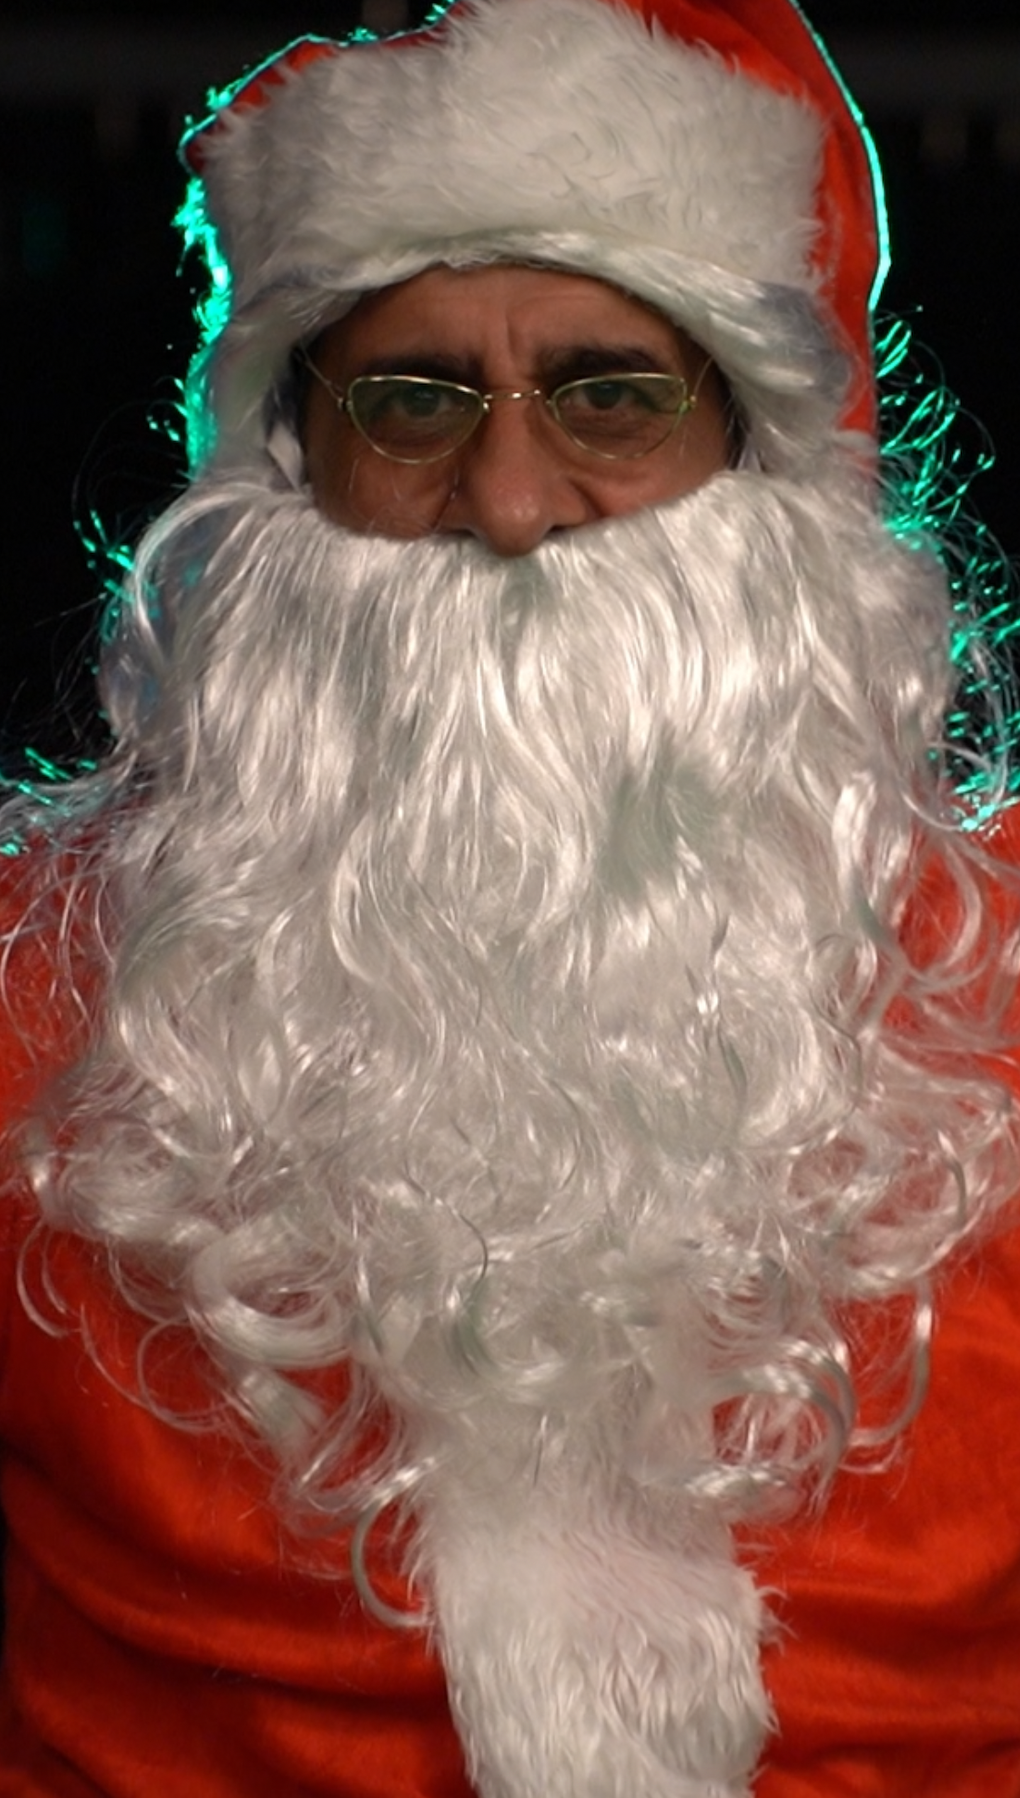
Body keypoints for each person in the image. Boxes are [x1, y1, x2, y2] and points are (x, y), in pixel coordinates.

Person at [1, 0, 1018, 1792]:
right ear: (291, 457)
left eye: (612, 393)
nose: (514, 500)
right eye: (412, 397)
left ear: (764, 456)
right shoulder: (36, 994)